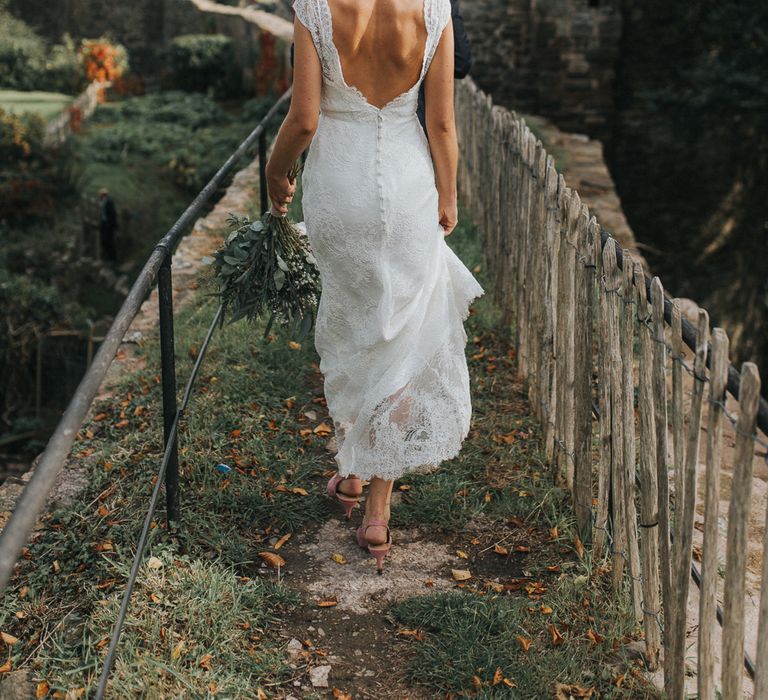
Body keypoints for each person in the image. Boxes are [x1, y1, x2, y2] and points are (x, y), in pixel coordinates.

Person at [266, 0, 484, 573]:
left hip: (340, 186)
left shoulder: (314, 8)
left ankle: (354, 470)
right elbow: (440, 123)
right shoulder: (435, 10)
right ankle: (378, 511)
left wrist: (275, 172)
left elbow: (305, 119)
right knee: (401, 335)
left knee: (354, 325)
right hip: (410, 183)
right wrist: (449, 194)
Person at [288, 0, 472, 134]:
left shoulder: (316, 5)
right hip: (413, 137)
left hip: (340, 141)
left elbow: (298, 63)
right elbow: (461, 62)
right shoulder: (436, 5)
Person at [98, 187, 118, 263]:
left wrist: (112, 225)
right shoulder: (105, 201)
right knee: (105, 241)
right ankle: (109, 258)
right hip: (105, 224)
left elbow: (112, 214)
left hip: (109, 225)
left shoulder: (109, 202)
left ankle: (112, 259)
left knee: (109, 241)